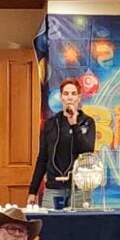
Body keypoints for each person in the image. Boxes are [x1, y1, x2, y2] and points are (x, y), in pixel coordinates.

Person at [27, 79, 97, 208]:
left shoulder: (87, 122)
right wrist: (33, 190)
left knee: (80, 225)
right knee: (51, 225)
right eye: (66, 94)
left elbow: (87, 151)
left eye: (73, 94)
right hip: (54, 186)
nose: (69, 97)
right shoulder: (51, 124)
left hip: (79, 187)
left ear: (79, 97)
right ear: (61, 97)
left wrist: (75, 125)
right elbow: (43, 158)